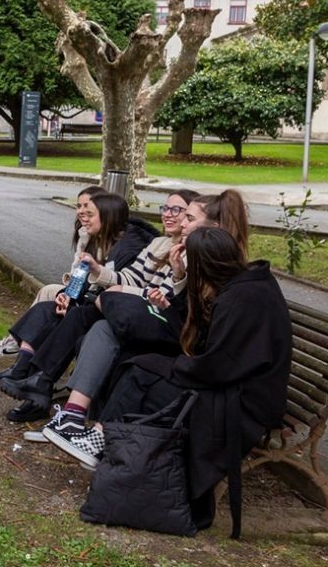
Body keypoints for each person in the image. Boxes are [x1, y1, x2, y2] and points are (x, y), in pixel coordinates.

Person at [46, 226, 290, 534]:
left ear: (206, 264)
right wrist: (178, 277)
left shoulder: (243, 297)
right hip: (224, 380)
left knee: (148, 376)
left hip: (242, 398)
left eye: (191, 262)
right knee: (139, 366)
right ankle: (105, 440)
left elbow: (221, 364)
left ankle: (106, 441)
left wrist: (176, 367)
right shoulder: (238, 285)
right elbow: (194, 334)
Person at [0, 193, 156, 420]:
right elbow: (80, 280)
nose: (82, 215)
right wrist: (68, 296)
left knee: (73, 317)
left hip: (116, 313)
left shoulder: (131, 248)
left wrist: (83, 293)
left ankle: (37, 387)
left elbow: (123, 286)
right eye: (80, 208)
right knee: (47, 308)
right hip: (96, 305)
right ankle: (24, 376)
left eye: (90, 212)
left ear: (108, 217)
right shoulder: (95, 239)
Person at [0, 185, 104, 358]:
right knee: (48, 291)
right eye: (78, 206)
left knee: (50, 295)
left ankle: (18, 345)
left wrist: (71, 293)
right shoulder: (85, 233)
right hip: (80, 293)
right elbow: (78, 272)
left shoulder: (105, 239)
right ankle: (19, 345)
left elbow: (97, 278)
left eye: (87, 207)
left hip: (93, 300)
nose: (81, 211)